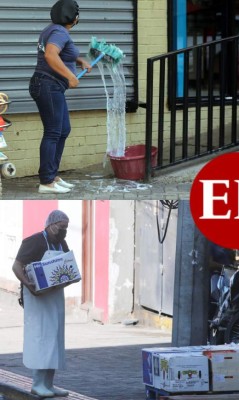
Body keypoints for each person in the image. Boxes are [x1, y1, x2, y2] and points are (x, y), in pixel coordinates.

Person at [30, 0, 92, 194]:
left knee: (63, 130)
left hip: (49, 85)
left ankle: (53, 175)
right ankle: (46, 182)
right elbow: (50, 55)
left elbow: (59, 53)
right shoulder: (59, 32)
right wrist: (70, 76)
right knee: (53, 132)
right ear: (74, 18)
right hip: (48, 86)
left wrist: (79, 59)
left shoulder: (53, 29)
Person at [12, 210, 71, 397]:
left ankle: (49, 384)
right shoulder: (35, 241)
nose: (63, 232)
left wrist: (71, 277)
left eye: (66, 228)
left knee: (54, 339)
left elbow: (68, 265)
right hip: (36, 296)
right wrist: (28, 285)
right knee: (40, 338)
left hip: (54, 296)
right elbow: (16, 266)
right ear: (50, 225)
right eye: (61, 228)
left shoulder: (61, 243)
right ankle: (37, 384)